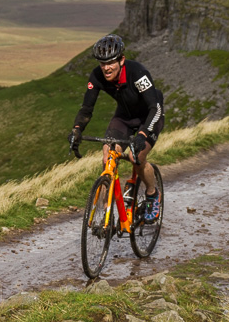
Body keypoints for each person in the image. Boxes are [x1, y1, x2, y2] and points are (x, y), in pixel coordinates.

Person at [68, 34, 165, 223]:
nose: (106, 68)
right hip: (124, 117)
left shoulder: (138, 73)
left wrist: (142, 134)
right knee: (108, 158)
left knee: (137, 158)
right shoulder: (97, 76)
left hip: (149, 116)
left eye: (111, 62)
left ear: (121, 60)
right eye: (102, 63)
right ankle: (107, 214)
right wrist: (77, 130)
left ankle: (152, 194)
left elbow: (155, 108)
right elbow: (87, 109)